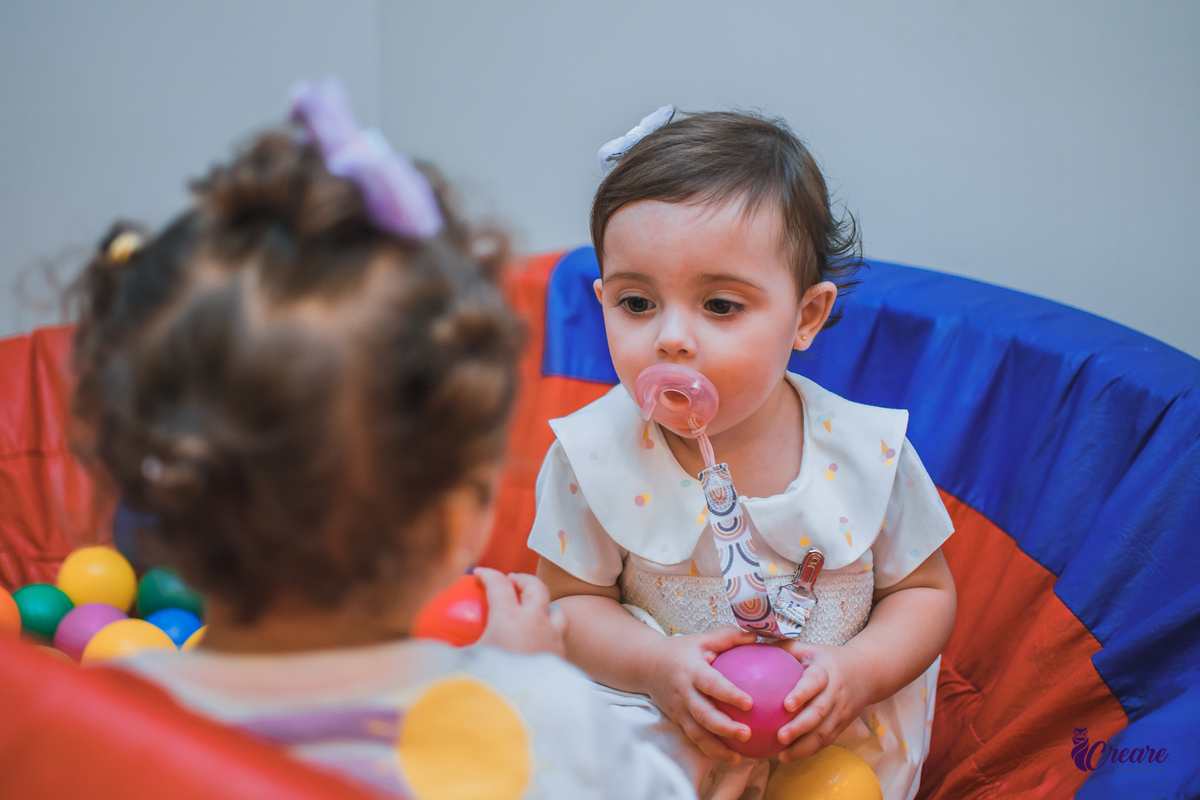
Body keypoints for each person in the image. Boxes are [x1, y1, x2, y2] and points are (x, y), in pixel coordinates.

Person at [69, 79, 696, 800]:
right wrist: (526, 683)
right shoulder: (533, 719)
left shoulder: (106, 713)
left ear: (156, 496)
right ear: (457, 515)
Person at [528, 109, 958, 800]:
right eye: (637, 302)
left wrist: (861, 674)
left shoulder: (867, 451)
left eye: (720, 306)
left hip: (833, 739)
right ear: (601, 299)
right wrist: (652, 667)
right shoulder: (593, 455)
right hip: (660, 734)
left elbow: (925, 592)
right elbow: (569, 601)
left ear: (806, 317)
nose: (670, 338)